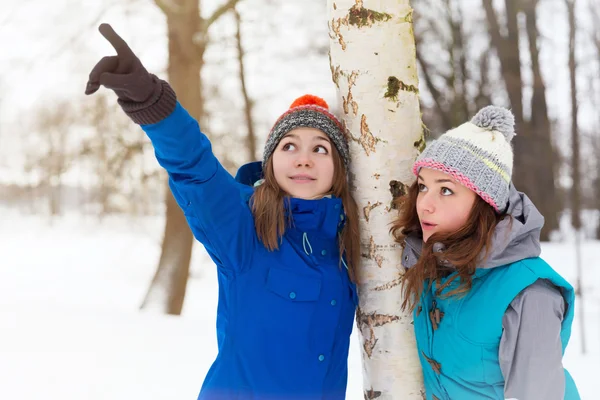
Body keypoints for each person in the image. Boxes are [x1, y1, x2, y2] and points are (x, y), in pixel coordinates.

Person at [85, 23, 360, 400]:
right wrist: (151, 101)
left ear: (338, 170)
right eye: (290, 146)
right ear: (270, 163)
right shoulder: (245, 231)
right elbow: (194, 170)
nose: (304, 160)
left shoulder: (349, 248)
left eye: (320, 149)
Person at [390, 106, 580, 400]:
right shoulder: (434, 266)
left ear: (484, 204)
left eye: (446, 190)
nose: (424, 204)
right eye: (424, 187)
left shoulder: (529, 294)